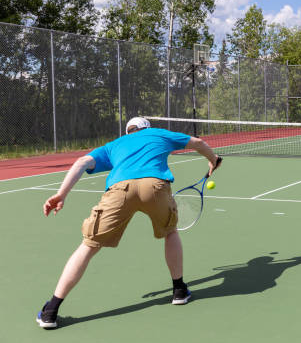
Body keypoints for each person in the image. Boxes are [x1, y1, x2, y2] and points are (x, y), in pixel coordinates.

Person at [36, 117, 221, 329]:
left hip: (119, 189)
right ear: (146, 128)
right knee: (170, 232)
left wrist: (61, 194)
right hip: (156, 186)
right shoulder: (158, 134)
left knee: (88, 245)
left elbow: (81, 162)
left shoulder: (115, 145)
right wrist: (213, 160)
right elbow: (197, 142)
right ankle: (179, 290)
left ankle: (51, 310)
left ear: (128, 132)